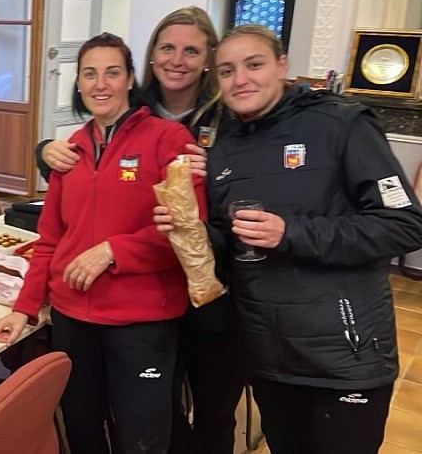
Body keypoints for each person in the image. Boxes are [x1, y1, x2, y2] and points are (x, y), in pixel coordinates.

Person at [155, 25, 422, 454]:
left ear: (282, 66)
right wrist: (189, 230)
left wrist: (291, 232)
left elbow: (405, 224)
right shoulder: (223, 149)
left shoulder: (341, 124)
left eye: (254, 64)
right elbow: (229, 243)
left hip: (344, 358)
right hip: (269, 359)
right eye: (227, 70)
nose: (241, 79)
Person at [37, 7, 242, 454]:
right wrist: (45, 148)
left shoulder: (220, 121)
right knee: (113, 420)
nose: (177, 60)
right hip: (96, 308)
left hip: (204, 293)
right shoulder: (85, 139)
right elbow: (53, 232)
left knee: (198, 412)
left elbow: (185, 230)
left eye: (191, 51)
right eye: (167, 48)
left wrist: (113, 250)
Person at [0, 33, 205, 454]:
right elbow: (50, 241)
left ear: (130, 79)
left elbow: (186, 231)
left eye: (112, 72)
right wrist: (24, 308)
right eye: (89, 74)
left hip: (141, 322)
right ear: (78, 83)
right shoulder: (69, 151)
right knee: (82, 428)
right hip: (73, 318)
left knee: (140, 438)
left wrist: (112, 250)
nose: (100, 84)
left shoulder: (168, 139)